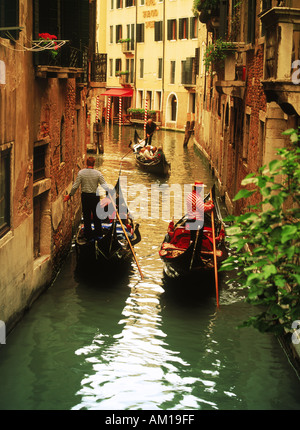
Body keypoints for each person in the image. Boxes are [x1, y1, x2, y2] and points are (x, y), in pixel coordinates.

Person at [64, 157, 111, 240]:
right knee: (96, 216)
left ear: (86, 163)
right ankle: (99, 235)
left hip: (85, 197)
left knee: (86, 216)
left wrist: (69, 195)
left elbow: (75, 186)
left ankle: (88, 236)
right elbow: (105, 186)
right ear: (94, 164)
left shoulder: (81, 173)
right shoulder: (98, 173)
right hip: (95, 197)